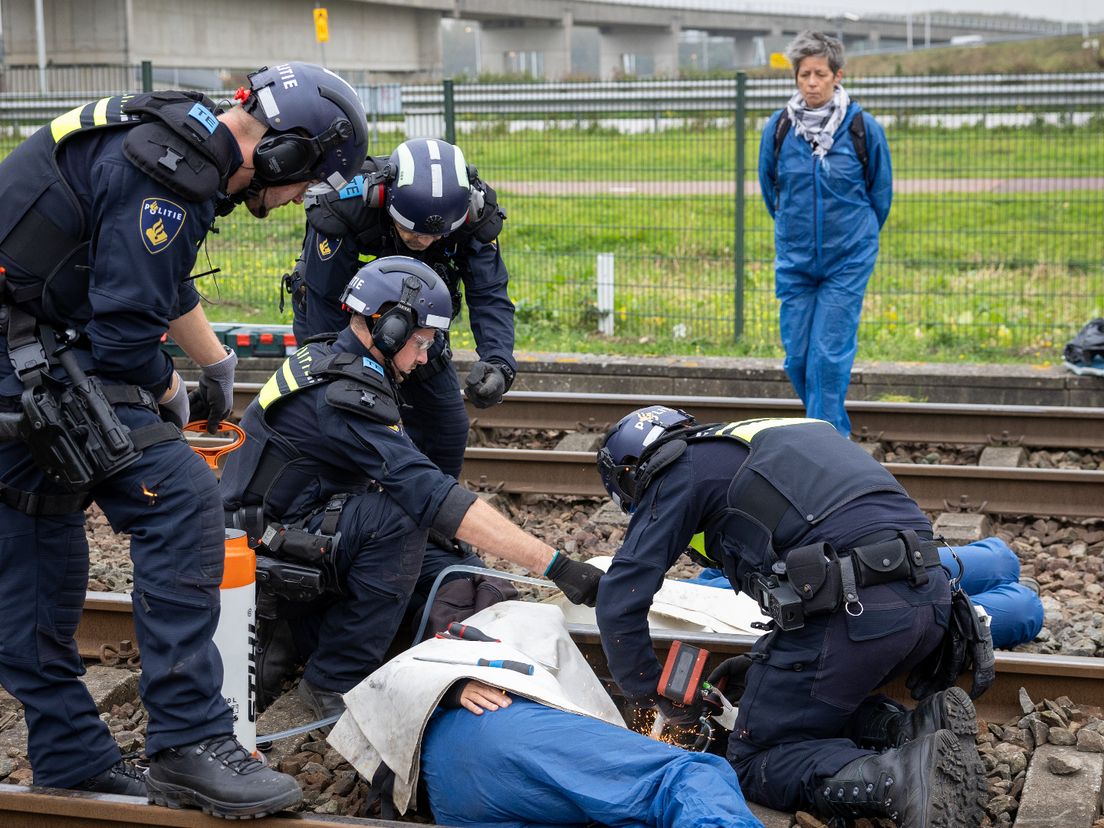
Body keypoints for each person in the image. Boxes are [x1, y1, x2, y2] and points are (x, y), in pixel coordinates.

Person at [0, 62, 367, 818]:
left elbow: (153, 276)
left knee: (39, 547)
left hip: (30, 345)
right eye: (307, 181)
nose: (297, 198)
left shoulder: (177, 146)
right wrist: (169, 393)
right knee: (180, 498)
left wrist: (215, 362)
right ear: (287, 153)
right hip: (26, 358)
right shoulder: (169, 176)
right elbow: (126, 337)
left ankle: (70, 757)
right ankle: (189, 743)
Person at [219, 256, 602, 721]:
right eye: (420, 342)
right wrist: (557, 565)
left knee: (460, 566)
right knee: (401, 518)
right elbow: (427, 493)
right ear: (389, 329)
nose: (424, 358)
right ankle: (334, 679)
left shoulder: (335, 357)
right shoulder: (342, 395)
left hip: (292, 521)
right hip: (265, 546)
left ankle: (432, 653)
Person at [594, 406, 990, 827]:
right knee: (802, 704)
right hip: (932, 602)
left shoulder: (679, 468)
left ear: (632, 471)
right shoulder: (762, 437)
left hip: (860, 617)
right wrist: (767, 661)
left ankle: (898, 777)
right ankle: (911, 728)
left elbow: (619, 598)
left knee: (754, 759)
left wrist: (648, 695)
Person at [329, 600, 765, 828]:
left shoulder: (443, 654)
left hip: (447, 795)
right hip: (497, 740)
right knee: (684, 773)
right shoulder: (524, 630)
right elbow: (678, 777)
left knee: (624, 812)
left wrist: (452, 690)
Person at [286, 137, 516, 479]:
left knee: (447, 430)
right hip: (346, 329)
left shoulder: (473, 213)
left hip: (418, 333)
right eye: (411, 231)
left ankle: (434, 509)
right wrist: (339, 373)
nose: (423, 241)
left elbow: (489, 292)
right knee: (343, 429)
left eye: (435, 236)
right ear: (383, 198)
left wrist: (499, 362)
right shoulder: (344, 204)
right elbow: (324, 300)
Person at [758, 31, 892, 437]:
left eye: (820, 74)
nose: (812, 83)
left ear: (837, 76)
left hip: (847, 259)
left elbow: (880, 195)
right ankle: (825, 435)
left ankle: (827, 444)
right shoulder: (779, 128)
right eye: (804, 75)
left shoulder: (862, 129)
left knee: (827, 357)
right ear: (796, 78)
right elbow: (770, 191)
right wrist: (793, 234)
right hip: (796, 261)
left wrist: (855, 238)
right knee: (798, 358)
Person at [686, 534, 1044, 650]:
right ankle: (1011, 591)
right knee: (1023, 605)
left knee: (1005, 571)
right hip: (847, 614)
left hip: (836, 573)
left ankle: (1006, 591)